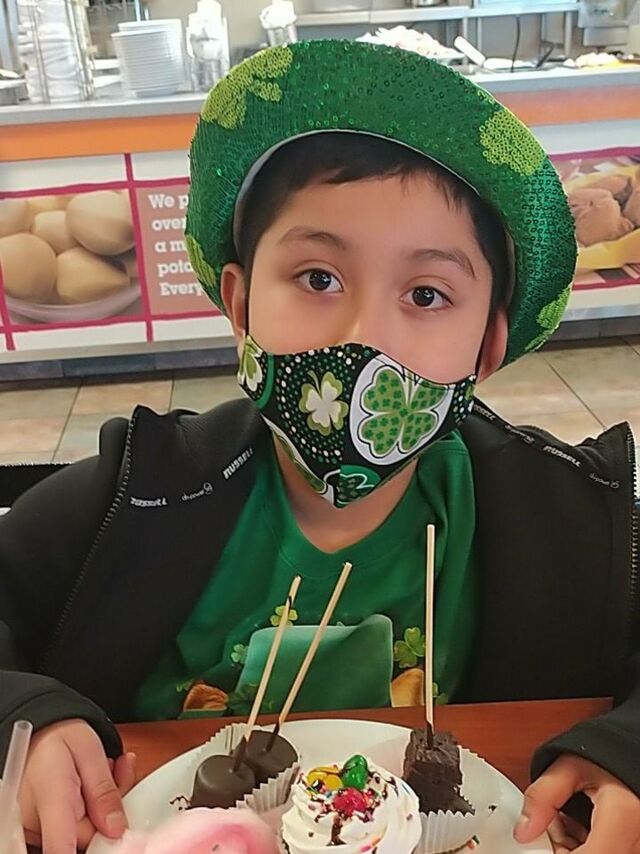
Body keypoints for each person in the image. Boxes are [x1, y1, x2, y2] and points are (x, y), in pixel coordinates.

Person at [1, 40, 639, 854]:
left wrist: (625, 749)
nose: (362, 338)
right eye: (318, 279)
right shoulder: (131, 496)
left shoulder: (572, 519)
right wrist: (25, 714)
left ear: (488, 346)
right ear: (239, 303)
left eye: (427, 294)